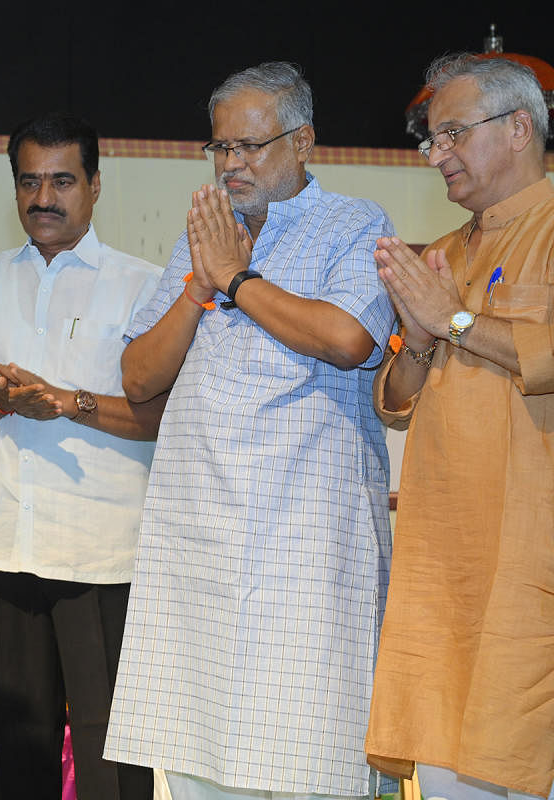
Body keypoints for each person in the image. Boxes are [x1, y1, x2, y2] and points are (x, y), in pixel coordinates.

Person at [105, 62, 396, 800]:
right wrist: (200, 285)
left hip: (307, 546)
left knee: (311, 758)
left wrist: (238, 282)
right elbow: (140, 376)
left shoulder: (354, 223)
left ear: (303, 142)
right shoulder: (202, 234)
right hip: (202, 542)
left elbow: (347, 339)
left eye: (249, 146)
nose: (232, 164)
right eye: (220, 148)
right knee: (201, 756)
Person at [0, 112, 164, 800]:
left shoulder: (141, 287)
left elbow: (162, 417)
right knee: (18, 760)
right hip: (6, 548)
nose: (44, 198)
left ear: (94, 185)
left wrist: (69, 401)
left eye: (62, 180)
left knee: (112, 766)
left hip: (103, 557)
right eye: (29, 182)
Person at [364, 54, 554, 800]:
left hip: (529, 564)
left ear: (518, 128)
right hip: (443, 570)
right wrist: (419, 335)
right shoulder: (439, 255)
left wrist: (457, 320)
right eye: (428, 140)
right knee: (446, 771)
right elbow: (394, 399)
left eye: (451, 133)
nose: (436, 154)